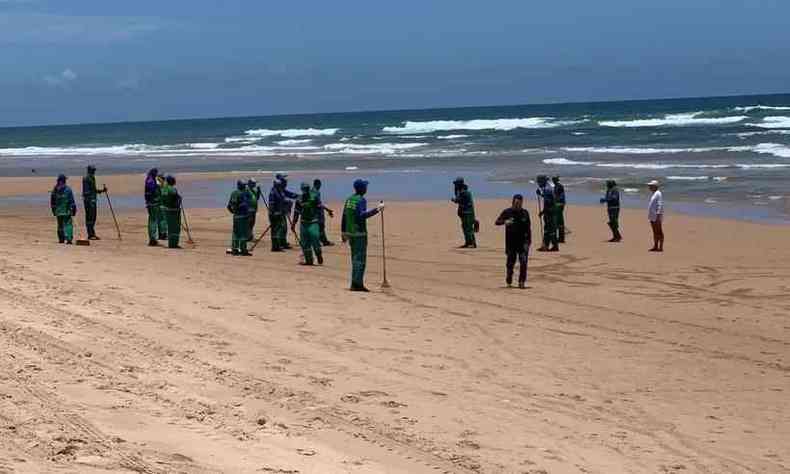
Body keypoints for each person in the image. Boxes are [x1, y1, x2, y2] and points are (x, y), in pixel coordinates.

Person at [341, 179, 384, 292]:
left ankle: (354, 283)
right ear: (362, 189)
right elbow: (362, 215)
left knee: (354, 259)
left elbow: (344, 216)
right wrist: (377, 209)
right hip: (359, 234)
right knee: (360, 260)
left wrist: (343, 232)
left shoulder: (349, 199)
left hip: (350, 233)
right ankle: (357, 284)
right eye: (365, 187)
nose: (366, 188)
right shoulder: (361, 200)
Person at [495, 194, 532, 289]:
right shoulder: (507, 212)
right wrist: (505, 222)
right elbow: (497, 222)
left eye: (520, 203)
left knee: (523, 262)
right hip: (511, 242)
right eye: (516, 203)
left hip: (523, 242)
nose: (518, 205)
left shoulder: (525, 213)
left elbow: (528, 228)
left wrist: (529, 241)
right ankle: (509, 277)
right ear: (513, 202)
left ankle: (521, 281)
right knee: (510, 263)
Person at [292, 182, 324, 265]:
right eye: (304, 189)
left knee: (315, 238)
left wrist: (321, 220)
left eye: (307, 189)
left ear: (309, 189)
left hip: (313, 222)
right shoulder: (299, 199)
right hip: (303, 223)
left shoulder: (314, 197)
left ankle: (318, 254)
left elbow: (320, 208)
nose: (305, 190)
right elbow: (296, 213)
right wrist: (293, 224)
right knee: (305, 243)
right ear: (302, 190)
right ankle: (309, 260)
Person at [268, 174, 298, 252]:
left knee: (283, 228)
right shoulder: (273, 192)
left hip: (281, 212)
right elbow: (272, 204)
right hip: (275, 214)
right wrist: (272, 213)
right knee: (276, 230)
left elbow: (289, 194)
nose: (285, 183)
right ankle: (276, 245)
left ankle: (282, 242)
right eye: (283, 182)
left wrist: (298, 196)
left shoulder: (280, 190)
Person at [228, 180, 252, 256]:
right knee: (242, 234)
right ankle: (243, 249)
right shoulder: (240, 193)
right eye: (243, 185)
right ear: (240, 185)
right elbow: (231, 205)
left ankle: (235, 249)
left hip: (237, 216)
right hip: (242, 216)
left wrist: (233, 212)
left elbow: (229, 206)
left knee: (236, 233)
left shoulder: (235, 193)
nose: (245, 186)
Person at [50, 174, 77, 244]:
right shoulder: (68, 189)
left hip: (58, 211)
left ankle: (61, 239)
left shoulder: (55, 190)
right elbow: (72, 200)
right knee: (68, 224)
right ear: (64, 181)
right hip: (66, 211)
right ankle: (69, 239)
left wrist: (53, 209)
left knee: (60, 225)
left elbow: (52, 201)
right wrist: (74, 209)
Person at [81, 165, 106, 240]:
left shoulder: (92, 178)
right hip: (89, 201)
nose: (94, 172)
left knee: (93, 217)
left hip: (93, 200)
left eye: (94, 170)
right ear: (89, 170)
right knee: (90, 217)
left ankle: (92, 233)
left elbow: (94, 190)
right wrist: (90, 198)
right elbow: (86, 191)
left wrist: (102, 191)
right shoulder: (86, 178)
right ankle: (90, 234)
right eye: (93, 170)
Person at [451, 177, 477, 248]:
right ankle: (468, 242)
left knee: (468, 228)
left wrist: (454, 199)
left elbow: (457, 200)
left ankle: (472, 243)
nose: (455, 185)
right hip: (465, 213)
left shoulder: (464, 192)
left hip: (467, 213)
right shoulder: (462, 191)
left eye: (456, 184)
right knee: (465, 228)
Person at [536, 175, 559, 252]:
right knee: (549, 229)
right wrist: (541, 194)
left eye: (539, 182)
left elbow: (548, 202)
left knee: (549, 229)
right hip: (550, 211)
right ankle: (549, 245)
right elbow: (547, 199)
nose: (538, 184)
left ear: (543, 181)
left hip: (550, 212)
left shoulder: (547, 189)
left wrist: (543, 212)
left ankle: (550, 246)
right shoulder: (547, 188)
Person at [161, 175, 183, 249]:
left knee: (170, 227)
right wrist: (179, 198)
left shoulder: (164, 189)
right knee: (175, 227)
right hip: (174, 211)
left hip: (167, 210)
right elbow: (175, 199)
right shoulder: (172, 189)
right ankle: (174, 244)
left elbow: (164, 200)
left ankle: (171, 244)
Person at [313, 179, 335, 246]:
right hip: (318, 213)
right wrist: (328, 210)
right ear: (318, 184)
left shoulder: (311, 191)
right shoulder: (316, 192)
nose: (320, 186)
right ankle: (324, 241)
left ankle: (318, 241)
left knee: (317, 227)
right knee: (321, 227)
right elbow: (319, 204)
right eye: (320, 185)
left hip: (313, 213)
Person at [144, 168, 162, 246]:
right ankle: (153, 239)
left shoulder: (149, 179)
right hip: (153, 204)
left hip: (150, 203)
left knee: (151, 220)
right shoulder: (151, 181)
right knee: (153, 221)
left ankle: (152, 238)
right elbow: (154, 191)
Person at [647, 180, 664, 252]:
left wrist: (658, 214)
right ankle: (655, 246)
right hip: (652, 216)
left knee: (659, 231)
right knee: (654, 231)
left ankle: (660, 247)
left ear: (655, 186)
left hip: (656, 216)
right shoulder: (654, 194)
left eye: (651, 186)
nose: (649, 187)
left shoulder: (658, 193)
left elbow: (660, 204)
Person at [552, 176, 566, 243]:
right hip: (557, 204)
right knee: (558, 222)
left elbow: (562, 196)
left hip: (559, 205)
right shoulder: (555, 187)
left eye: (554, 180)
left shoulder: (560, 186)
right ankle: (560, 237)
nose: (553, 181)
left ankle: (561, 238)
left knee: (559, 222)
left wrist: (557, 201)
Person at [156, 174, 169, 240]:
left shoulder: (160, 185)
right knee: (163, 220)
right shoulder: (164, 185)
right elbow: (165, 195)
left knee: (160, 220)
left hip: (158, 204)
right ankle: (163, 234)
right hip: (162, 205)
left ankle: (161, 234)